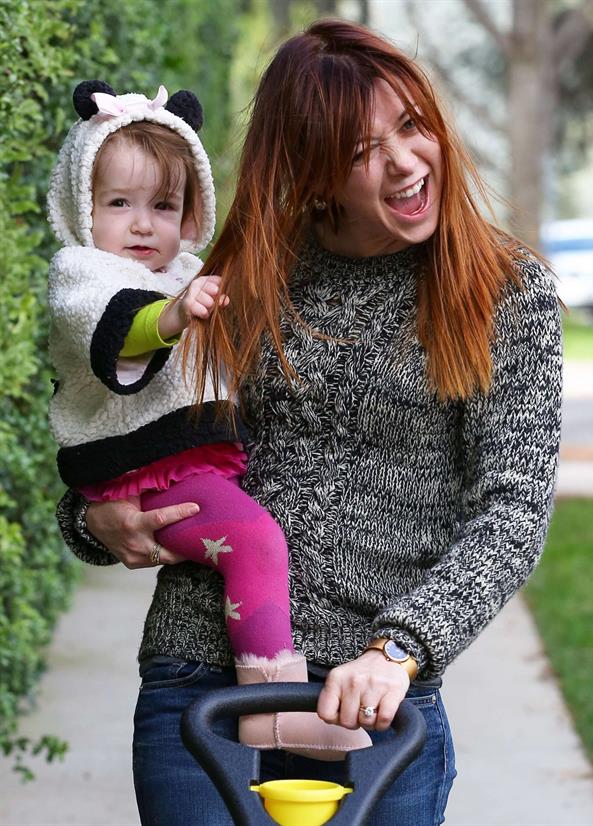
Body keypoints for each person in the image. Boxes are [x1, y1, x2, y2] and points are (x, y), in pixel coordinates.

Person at [55, 19, 562, 826]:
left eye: (412, 125)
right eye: (363, 150)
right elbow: (128, 416)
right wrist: (90, 520)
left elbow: (514, 509)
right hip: (201, 684)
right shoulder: (246, 270)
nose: (403, 162)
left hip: (380, 708)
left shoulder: (504, 292)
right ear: (316, 171)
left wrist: (401, 649)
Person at [47, 79, 368, 761]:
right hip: (141, 465)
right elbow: (116, 331)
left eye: (164, 205)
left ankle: (270, 704)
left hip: (171, 462)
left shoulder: (186, 271)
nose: (142, 224)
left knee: (251, 544)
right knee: (255, 543)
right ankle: (273, 709)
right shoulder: (84, 275)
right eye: (119, 204)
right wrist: (172, 314)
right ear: (81, 206)